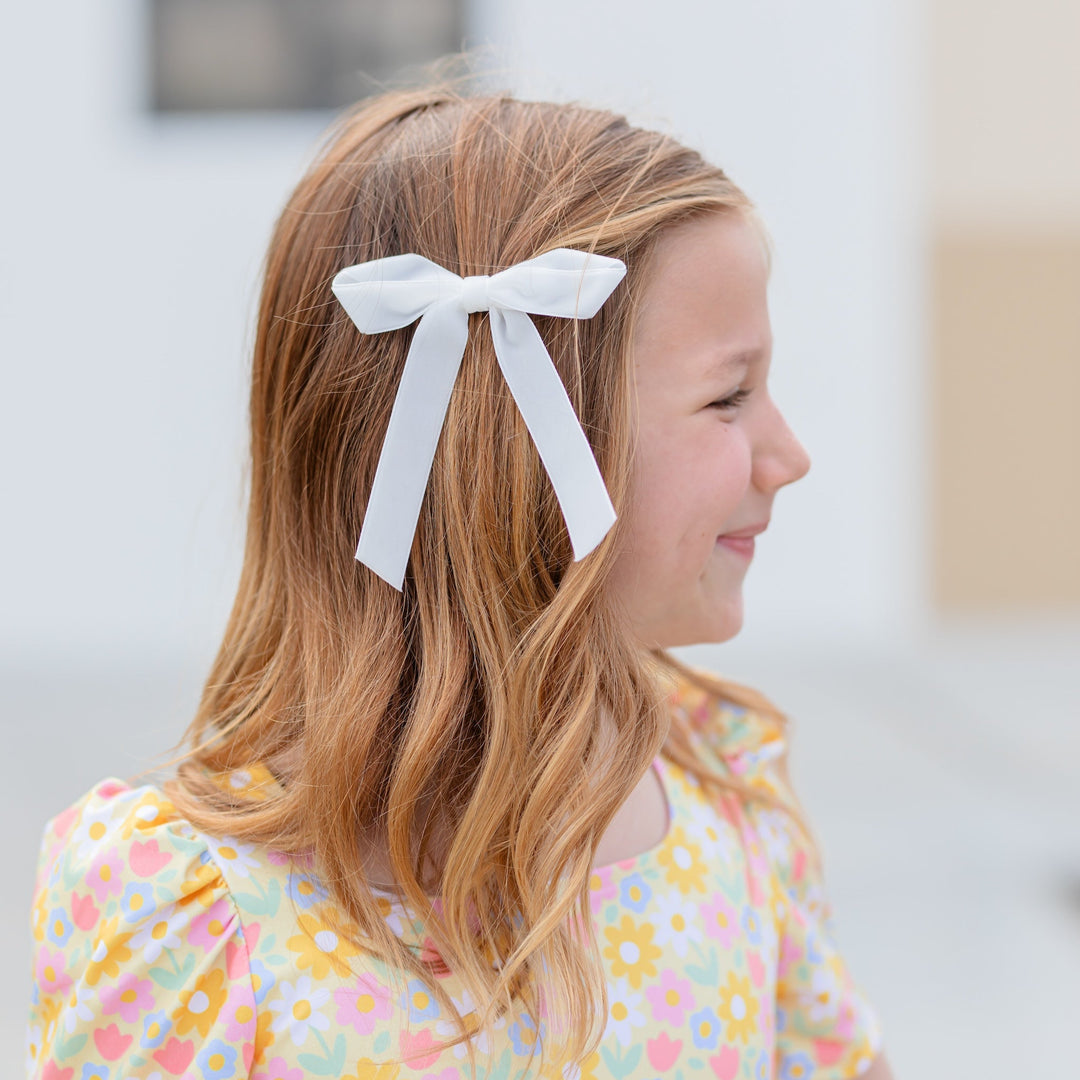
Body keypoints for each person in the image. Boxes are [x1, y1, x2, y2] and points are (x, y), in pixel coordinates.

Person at [25, 84, 894, 1080]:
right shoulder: (194, 914)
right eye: (730, 396)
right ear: (510, 448)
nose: (788, 454)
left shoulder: (727, 801)